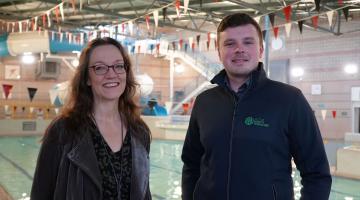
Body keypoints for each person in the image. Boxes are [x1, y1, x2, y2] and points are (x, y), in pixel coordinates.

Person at [181, 13, 331, 199]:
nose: (239, 49)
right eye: (230, 44)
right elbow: (191, 164)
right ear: (219, 53)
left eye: (248, 42)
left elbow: (317, 173)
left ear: (260, 50)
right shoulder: (204, 102)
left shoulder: (289, 100)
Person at [31, 37, 152, 200]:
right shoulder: (63, 130)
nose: (111, 74)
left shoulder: (139, 131)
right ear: (87, 78)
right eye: (100, 68)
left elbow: (144, 192)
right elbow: (41, 193)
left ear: (126, 72)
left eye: (118, 66)